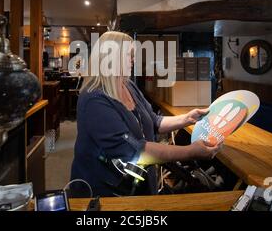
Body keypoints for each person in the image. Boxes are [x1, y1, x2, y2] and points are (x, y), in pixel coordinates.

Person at [70, 31, 223, 197]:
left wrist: (187, 118)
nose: (133, 60)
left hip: (135, 184)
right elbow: (135, 152)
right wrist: (191, 151)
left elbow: (154, 121)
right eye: (129, 55)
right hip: (105, 193)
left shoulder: (128, 86)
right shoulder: (94, 100)